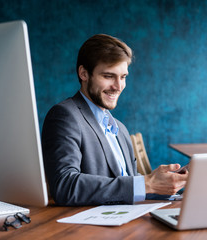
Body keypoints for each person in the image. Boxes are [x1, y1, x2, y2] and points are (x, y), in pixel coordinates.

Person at [42, 34, 188, 206]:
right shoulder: (65, 116)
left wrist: (167, 185)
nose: (118, 86)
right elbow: (65, 186)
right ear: (84, 73)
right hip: (90, 229)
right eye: (109, 76)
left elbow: (129, 185)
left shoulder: (120, 129)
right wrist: (147, 183)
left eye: (123, 77)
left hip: (126, 220)